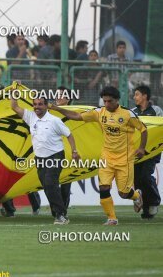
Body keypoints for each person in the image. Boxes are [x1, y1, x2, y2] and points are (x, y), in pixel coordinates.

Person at [50, 86, 146, 225]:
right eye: (104, 101)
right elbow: (76, 116)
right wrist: (57, 108)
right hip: (106, 157)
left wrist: (142, 148)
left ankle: (137, 195)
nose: (106, 104)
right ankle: (112, 218)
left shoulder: (127, 114)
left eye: (109, 101)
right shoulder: (99, 112)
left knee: (123, 193)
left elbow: (143, 129)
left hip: (124, 159)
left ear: (117, 100)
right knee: (103, 188)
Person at [11, 92, 80, 225]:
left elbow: (69, 134)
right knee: (47, 186)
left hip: (55, 156)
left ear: (46, 106)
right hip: (40, 158)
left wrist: (74, 151)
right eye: (35, 104)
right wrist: (14, 91)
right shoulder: (31, 117)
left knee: (50, 183)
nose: (37, 107)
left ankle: (61, 215)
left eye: (40, 104)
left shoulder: (55, 120)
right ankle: (58, 212)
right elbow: (14, 106)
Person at [132, 85, 162, 219]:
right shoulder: (132, 112)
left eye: (137, 94)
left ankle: (154, 202)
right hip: (136, 152)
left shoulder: (156, 110)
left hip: (151, 152)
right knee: (137, 180)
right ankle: (146, 208)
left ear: (145, 96)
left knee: (145, 176)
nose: (134, 97)